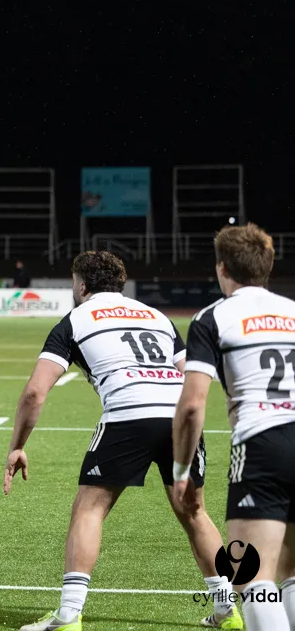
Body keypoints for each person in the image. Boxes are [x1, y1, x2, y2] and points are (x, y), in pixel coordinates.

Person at [4, 251, 234, 631]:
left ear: (81, 285)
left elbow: (34, 393)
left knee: (89, 510)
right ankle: (228, 609)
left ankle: (68, 616)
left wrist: (17, 444)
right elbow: (188, 371)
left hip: (129, 413)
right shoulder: (156, 316)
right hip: (179, 414)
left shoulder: (75, 319)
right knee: (194, 512)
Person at [174, 224, 295, 631]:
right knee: (292, 571)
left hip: (263, 444)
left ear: (222, 268)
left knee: (254, 578)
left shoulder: (213, 318)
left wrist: (181, 469)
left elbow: (192, 405)